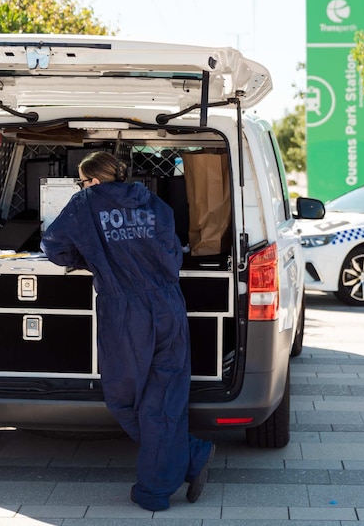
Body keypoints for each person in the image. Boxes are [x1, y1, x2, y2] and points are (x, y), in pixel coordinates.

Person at [40, 151, 215, 511]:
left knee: (123, 397)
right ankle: (187, 456)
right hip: (169, 304)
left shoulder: (85, 203)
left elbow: (54, 246)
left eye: (83, 179)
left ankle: (164, 481)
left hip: (126, 312)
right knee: (164, 398)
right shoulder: (153, 202)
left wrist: (93, 261)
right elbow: (172, 251)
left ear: (93, 179)